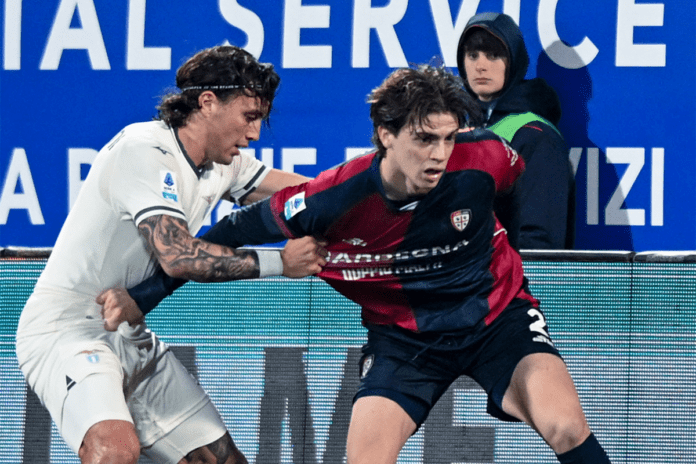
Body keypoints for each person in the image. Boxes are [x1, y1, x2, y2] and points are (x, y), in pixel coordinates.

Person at [101, 64, 611, 463]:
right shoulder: (332, 200)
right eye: (424, 139)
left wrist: (500, 242)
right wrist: (142, 297)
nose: (439, 154)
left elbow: (520, 186)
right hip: (406, 343)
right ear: (386, 134)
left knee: (566, 426)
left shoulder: (484, 157)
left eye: (448, 137)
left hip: (497, 321)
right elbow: (228, 233)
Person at [15, 45, 326, 464]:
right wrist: (280, 263)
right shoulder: (143, 150)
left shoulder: (224, 165)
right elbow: (180, 257)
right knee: (114, 451)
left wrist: (376, 191)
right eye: (249, 116)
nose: (254, 133)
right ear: (208, 102)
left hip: (130, 334)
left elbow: (309, 196)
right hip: (67, 330)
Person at [457, 12, 575, 250]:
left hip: (509, 273)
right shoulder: (458, 129)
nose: (480, 66)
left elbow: (538, 240)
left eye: (493, 55)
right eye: (472, 55)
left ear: (513, 61)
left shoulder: (536, 136)